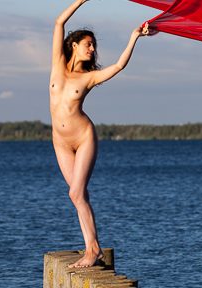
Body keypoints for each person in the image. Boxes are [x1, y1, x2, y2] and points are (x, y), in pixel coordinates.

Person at [50, 0, 148, 268]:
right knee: (77, 195)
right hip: (60, 142)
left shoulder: (89, 77)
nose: (92, 49)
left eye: (94, 46)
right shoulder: (57, 65)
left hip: (83, 138)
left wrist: (134, 37)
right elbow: (59, 22)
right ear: (74, 45)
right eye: (88, 44)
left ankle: (93, 249)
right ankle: (91, 248)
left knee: (76, 193)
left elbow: (118, 66)